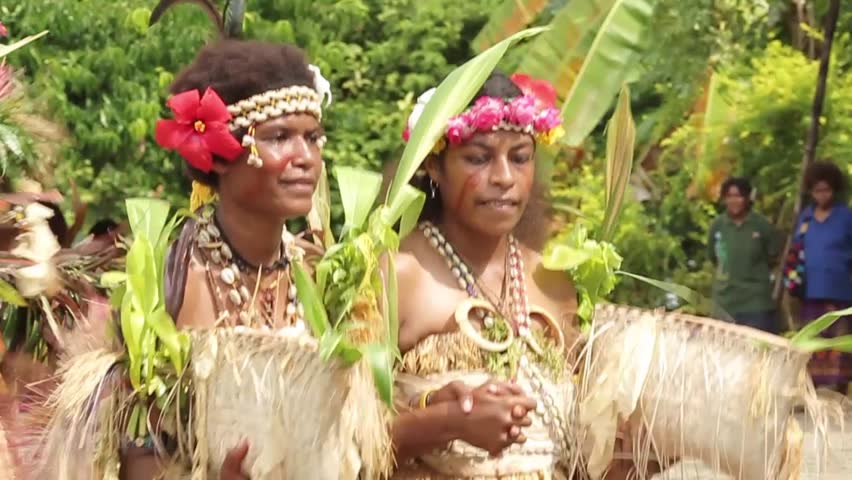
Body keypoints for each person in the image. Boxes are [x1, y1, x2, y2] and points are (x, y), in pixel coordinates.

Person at [388, 72, 658, 480]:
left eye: (519, 157)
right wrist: (449, 422)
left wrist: (630, 451)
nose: (504, 178)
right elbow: (339, 444)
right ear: (433, 166)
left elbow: (578, 452)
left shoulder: (554, 282)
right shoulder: (398, 275)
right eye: (478, 158)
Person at [794, 161, 851, 394]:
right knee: (812, 346)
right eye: (817, 190)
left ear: (834, 189)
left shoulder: (846, 216)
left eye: (826, 190)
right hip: (811, 293)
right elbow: (796, 251)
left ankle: (839, 394)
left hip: (841, 293)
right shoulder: (805, 218)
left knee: (840, 347)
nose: (822, 195)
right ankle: (811, 394)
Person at [708, 177, 781, 333]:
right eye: (729, 196)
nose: (734, 200)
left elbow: (774, 256)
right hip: (725, 301)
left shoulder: (761, 225)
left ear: (748, 198)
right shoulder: (718, 226)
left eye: (739, 196)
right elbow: (714, 258)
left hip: (756, 302)